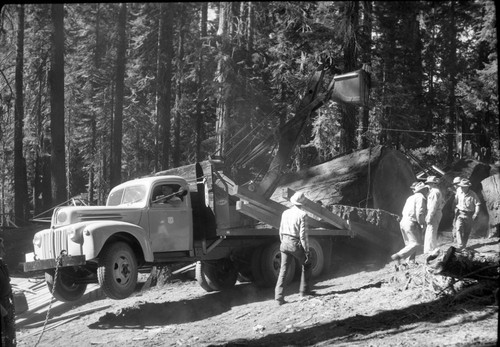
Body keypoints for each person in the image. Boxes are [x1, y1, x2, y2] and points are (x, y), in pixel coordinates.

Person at [275, 191, 313, 306]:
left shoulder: (285, 212)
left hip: (284, 242)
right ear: (302, 203)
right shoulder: (303, 215)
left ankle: (279, 298)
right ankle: (304, 292)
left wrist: (283, 242)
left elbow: (280, 230)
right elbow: (303, 235)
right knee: (307, 264)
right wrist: (306, 251)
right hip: (294, 243)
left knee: (283, 270)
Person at [391, 182, 428, 263]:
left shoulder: (410, 198)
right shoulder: (421, 197)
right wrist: (422, 223)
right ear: (423, 190)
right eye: (425, 189)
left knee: (409, 244)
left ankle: (410, 262)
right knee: (416, 244)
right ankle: (399, 255)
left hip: (403, 221)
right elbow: (420, 212)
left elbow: (403, 210)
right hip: (411, 222)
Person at [454, 178, 481, 249]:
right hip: (460, 213)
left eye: (463, 187)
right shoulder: (458, 191)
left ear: (467, 187)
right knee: (458, 229)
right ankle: (460, 246)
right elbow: (456, 200)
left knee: (467, 231)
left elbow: (477, 204)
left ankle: (464, 245)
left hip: (469, 215)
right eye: (461, 186)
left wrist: (476, 214)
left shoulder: (473, 194)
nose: (461, 188)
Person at [424, 176, 445, 254]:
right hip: (433, 212)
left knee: (431, 230)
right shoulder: (432, 191)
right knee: (430, 230)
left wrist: (430, 216)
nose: (428, 185)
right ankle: (429, 249)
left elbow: (433, 206)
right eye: (428, 183)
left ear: (434, 184)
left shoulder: (434, 192)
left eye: (430, 183)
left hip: (434, 213)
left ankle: (430, 249)